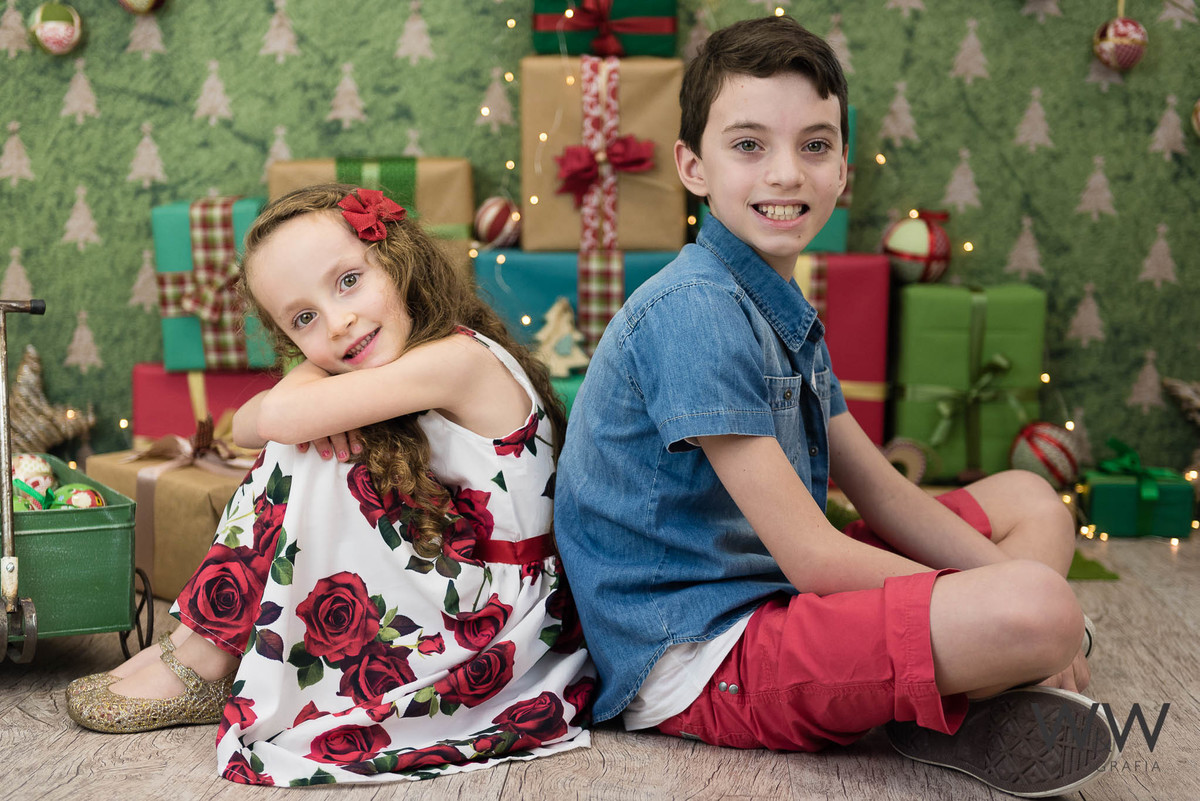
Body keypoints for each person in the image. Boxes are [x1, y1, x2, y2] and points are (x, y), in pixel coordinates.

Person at [553, 15, 1112, 799]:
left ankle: (963, 689)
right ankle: (980, 679)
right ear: (693, 165)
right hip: (705, 650)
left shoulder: (777, 304)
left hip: (777, 593)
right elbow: (813, 555)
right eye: (749, 145)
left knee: (1031, 504)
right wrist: (997, 602)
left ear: (843, 167)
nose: (786, 173)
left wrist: (987, 589)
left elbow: (881, 490)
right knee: (1037, 606)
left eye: (814, 145)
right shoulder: (693, 310)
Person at [67, 184, 595, 785]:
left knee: (311, 448)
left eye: (348, 281)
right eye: (304, 319)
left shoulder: (457, 361)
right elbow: (244, 426)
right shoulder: (408, 358)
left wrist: (307, 375)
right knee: (314, 439)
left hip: (503, 618)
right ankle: (202, 640)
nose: (339, 322)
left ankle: (209, 652)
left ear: (396, 260)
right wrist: (308, 373)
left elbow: (273, 421)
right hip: (466, 577)